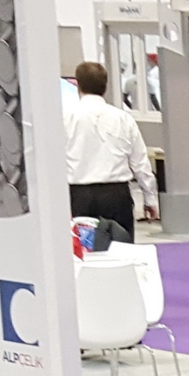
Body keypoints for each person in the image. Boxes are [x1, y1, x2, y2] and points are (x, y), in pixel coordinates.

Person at [63, 61, 157, 242]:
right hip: (116, 196)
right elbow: (140, 162)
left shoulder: (65, 118)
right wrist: (149, 198)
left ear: (78, 85)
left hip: (79, 196)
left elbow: (55, 161)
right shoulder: (123, 119)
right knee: (121, 249)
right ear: (105, 87)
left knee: (83, 251)